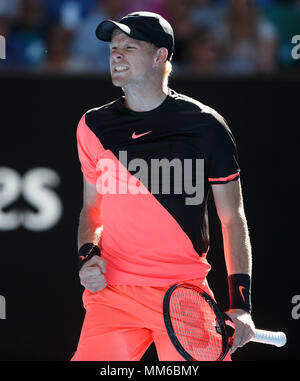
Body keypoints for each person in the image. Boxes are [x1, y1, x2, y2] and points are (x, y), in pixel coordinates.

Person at [71, 11, 255, 361]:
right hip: (115, 294)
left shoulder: (206, 126)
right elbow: (91, 210)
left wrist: (240, 304)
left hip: (185, 293)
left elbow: (233, 219)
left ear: (160, 57)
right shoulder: (92, 125)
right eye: (113, 47)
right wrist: (87, 256)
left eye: (129, 46)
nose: (116, 54)